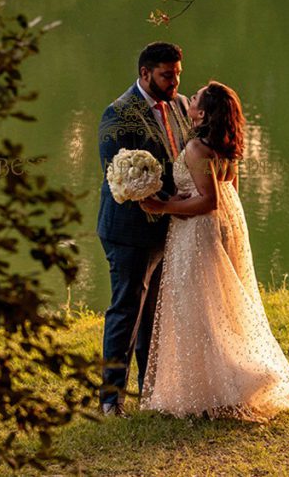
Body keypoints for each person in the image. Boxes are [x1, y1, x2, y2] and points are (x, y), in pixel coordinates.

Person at [139, 81, 289, 421]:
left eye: (198, 96)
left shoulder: (198, 150)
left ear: (202, 113)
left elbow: (209, 200)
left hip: (199, 231)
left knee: (199, 304)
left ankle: (218, 387)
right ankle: (225, 379)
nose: (191, 95)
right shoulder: (223, 146)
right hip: (226, 223)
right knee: (219, 303)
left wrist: (163, 207)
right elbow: (229, 188)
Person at [97, 42, 191, 417]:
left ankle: (149, 390)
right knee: (126, 310)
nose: (175, 81)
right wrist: (165, 199)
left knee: (154, 313)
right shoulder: (118, 114)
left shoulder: (182, 105)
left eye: (178, 74)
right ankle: (110, 400)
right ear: (145, 74)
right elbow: (117, 175)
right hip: (128, 230)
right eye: (167, 75)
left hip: (169, 226)